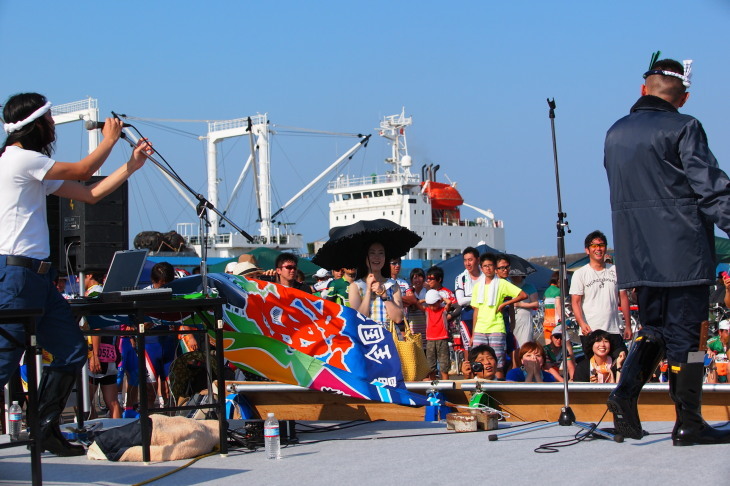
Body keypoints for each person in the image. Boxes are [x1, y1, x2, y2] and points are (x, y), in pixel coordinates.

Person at [0, 93, 150, 456]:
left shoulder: (32, 165)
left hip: (37, 277)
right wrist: (109, 140)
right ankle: (42, 427)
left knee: (70, 350)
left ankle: (45, 428)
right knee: (4, 361)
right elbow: (84, 171)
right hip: (16, 276)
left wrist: (131, 166)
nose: (54, 126)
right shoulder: (20, 160)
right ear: (35, 126)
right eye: (49, 120)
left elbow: (91, 193)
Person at [604, 55, 730, 445]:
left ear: (643, 90)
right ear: (684, 98)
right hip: (683, 253)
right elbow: (710, 189)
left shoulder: (615, 132)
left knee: (654, 329)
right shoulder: (685, 127)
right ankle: (688, 421)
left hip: (637, 254)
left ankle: (624, 394)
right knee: (689, 339)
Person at [569, 230, 631, 360]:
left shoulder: (615, 270)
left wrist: (628, 326)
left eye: (601, 245)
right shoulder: (580, 274)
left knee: (622, 360)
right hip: (591, 329)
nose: (598, 249)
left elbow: (623, 297)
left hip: (613, 328)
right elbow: (575, 301)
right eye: (594, 246)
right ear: (587, 250)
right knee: (596, 367)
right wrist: (581, 323)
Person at [470, 253, 527, 378]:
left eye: (490, 265)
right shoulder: (478, 287)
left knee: (497, 363)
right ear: (481, 268)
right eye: (485, 266)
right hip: (480, 328)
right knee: (478, 363)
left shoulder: (502, 283)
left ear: (494, 267)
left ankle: (499, 389)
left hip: (496, 327)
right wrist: (473, 334)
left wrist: (505, 303)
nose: (488, 268)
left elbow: (523, 295)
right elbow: (476, 311)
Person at [84, 271, 122, 419]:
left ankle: (92, 435)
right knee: (112, 402)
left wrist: (94, 355)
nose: (77, 279)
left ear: (89, 275)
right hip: (110, 351)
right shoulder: (105, 292)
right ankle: (118, 434)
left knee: (83, 402)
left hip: (96, 352)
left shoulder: (94, 294)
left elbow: (97, 326)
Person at [349, 242, 404, 327]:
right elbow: (358, 320)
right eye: (372, 253)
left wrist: (384, 294)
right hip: (367, 337)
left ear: (385, 257)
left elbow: (398, 318)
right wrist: (368, 290)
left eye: (381, 253)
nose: (377, 257)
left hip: (389, 338)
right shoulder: (355, 286)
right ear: (365, 257)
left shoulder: (393, 285)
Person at [454, 246, 481, 347]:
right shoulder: (460, 278)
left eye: (470, 260)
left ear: (478, 260)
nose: (467, 263)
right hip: (467, 314)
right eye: (465, 260)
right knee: (468, 346)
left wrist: (470, 298)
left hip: (484, 315)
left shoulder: (485, 276)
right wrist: (480, 297)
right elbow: (461, 301)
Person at [424, 289, 453, 380]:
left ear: (439, 302)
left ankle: (446, 385)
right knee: (430, 365)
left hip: (442, 338)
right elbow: (417, 303)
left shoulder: (443, 310)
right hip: (430, 339)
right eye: (430, 304)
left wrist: (441, 298)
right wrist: (426, 300)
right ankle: (432, 386)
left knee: (444, 364)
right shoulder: (427, 310)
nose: (432, 307)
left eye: (434, 304)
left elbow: (449, 302)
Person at [510, 268, 539, 347]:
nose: (514, 277)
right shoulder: (508, 286)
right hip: (511, 318)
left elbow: (536, 303)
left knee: (525, 341)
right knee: (512, 343)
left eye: (517, 275)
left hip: (524, 318)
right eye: (512, 275)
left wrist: (520, 305)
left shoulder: (529, 287)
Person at [402, 267, 428, 337]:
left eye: (420, 277)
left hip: (427, 325)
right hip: (413, 325)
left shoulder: (428, 291)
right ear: (411, 280)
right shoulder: (409, 293)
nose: (417, 280)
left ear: (424, 278)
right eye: (415, 278)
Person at [542, 271, 562, 345]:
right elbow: (558, 306)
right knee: (557, 344)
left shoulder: (546, 291)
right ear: (558, 280)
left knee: (548, 344)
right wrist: (561, 319)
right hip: (555, 321)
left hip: (547, 321)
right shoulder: (558, 291)